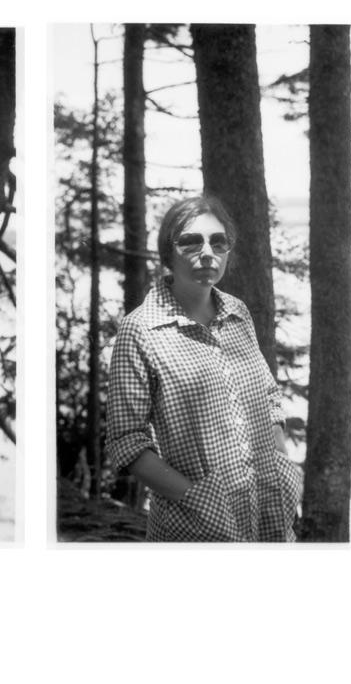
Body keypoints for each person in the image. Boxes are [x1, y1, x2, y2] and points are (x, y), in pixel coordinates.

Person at [105, 195, 302, 542]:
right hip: (194, 529)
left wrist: (282, 469)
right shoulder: (140, 330)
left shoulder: (238, 313)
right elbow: (127, 442)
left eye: (218, 242)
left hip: (267, 513)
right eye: (191, 241)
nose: (207, 252)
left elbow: (269, 399)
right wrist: (198, 500)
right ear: (168, 253)